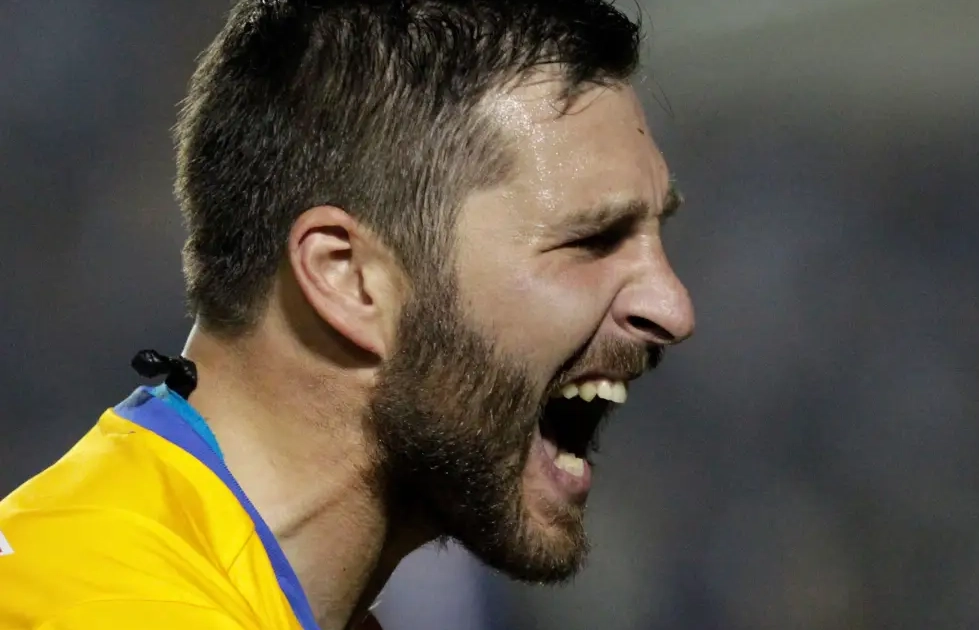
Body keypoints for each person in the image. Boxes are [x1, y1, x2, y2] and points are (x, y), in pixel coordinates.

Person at [0, 1, 695, 629]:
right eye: (591, 240)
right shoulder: (112, 607)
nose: (673, 307)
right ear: (348, 277)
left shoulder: (157, 557)